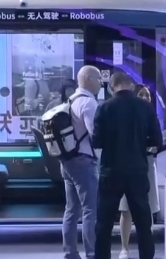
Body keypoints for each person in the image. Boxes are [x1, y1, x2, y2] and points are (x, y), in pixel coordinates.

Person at [91, 71, 162, 259]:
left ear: (111, 87)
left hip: (110, 172)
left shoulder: (104, 108)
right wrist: (141, 141)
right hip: (137, 171)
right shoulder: (145, 107)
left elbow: (96, 142)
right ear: (130, 86)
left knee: (104, 224)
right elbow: (157, 139)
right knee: (143, 223)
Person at [60, 66, 102, 259]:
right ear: (89, 79)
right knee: (90, 210)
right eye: (99, 79)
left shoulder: (71, 100)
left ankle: (70, 253)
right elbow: (95, 135)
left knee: (71, 210)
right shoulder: (88, 103)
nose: (101, 83)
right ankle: (92, 254)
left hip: (67, 161)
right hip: (84, 162)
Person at [116, 85, 161, 259]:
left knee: (147, 208)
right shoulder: (129, 116)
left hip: (148, 163)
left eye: (147, 95)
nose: (145, 98)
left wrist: (153, 145)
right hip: (129, 164)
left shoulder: (152, 115)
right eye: (141, 94)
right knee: (126, 208)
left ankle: (147, 246)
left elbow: (158, 140)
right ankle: (124, 248)